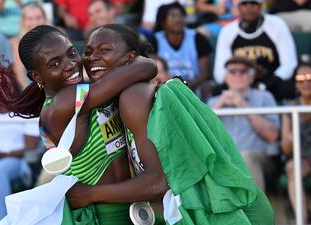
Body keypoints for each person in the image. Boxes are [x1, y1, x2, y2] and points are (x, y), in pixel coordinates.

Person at [67, 24, 274, 225]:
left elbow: (156, 182)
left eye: (105, 50)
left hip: (226, 211)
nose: (92, 57)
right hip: (221, 205)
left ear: (130, 58)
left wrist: (89, 194)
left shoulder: (133, 97)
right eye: (88, 51)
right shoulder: (129, 95)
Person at [0, 24, 158, 224]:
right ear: (37, 76)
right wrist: (132, 59)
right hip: (101, 215)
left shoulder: (90, 93)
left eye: (72, 53)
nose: (71, 64)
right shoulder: (62, 105)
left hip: (127, 208)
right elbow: (147, 67)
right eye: (55, 64)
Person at [207, 57, 280, 191]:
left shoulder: (264, 97)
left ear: (252, 77)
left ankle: (256, 209)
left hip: (259, 157)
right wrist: (219, 105)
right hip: (222, 158)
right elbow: (200, 131)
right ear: (226, 77)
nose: (238, 75)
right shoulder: (214, 101)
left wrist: (244, 106)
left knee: (244, 157)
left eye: (243, 71)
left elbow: (272, 135)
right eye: (232, 71)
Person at [213, 0, 298, 102]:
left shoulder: (277, 24)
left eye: (253, 3)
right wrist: (239, 82)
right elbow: (220, 72)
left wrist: (265, 84)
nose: (249, 7)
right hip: (239, 79)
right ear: (238, 7)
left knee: (287, 88)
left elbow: (289, 64)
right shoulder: (227, 31)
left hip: (271, 81)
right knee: (217, 92)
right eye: (244, 4)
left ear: (260, 6)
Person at [150, 2, 212, 94]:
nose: (178, 19)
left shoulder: (197, 38)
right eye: (173, 16)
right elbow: (150, 72)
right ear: (162, 21)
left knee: (207, 86)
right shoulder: (154, 41)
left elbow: (205, 73)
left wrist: (185, 86)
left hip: (193, 87)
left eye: (181, 15)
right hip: (163, 89)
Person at [281, 63, 311, 223]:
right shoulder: (290, 107)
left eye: (309, 78)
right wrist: (296, 123)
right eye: (300, 79)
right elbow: (286, 149)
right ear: (295, 83)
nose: (305, 83)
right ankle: (303, 221)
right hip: (303, 157)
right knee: (293, 167)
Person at [10, 2, 49, 89]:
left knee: (82, 88)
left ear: (44, 18)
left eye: (38, 18)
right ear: (23, 21)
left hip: (56, 87)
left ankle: (80, 101)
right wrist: (28, 93)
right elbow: (19, 72)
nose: (34, 22)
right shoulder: (16, 42)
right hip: (32, 90)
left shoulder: (57, 37)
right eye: (30, 19)